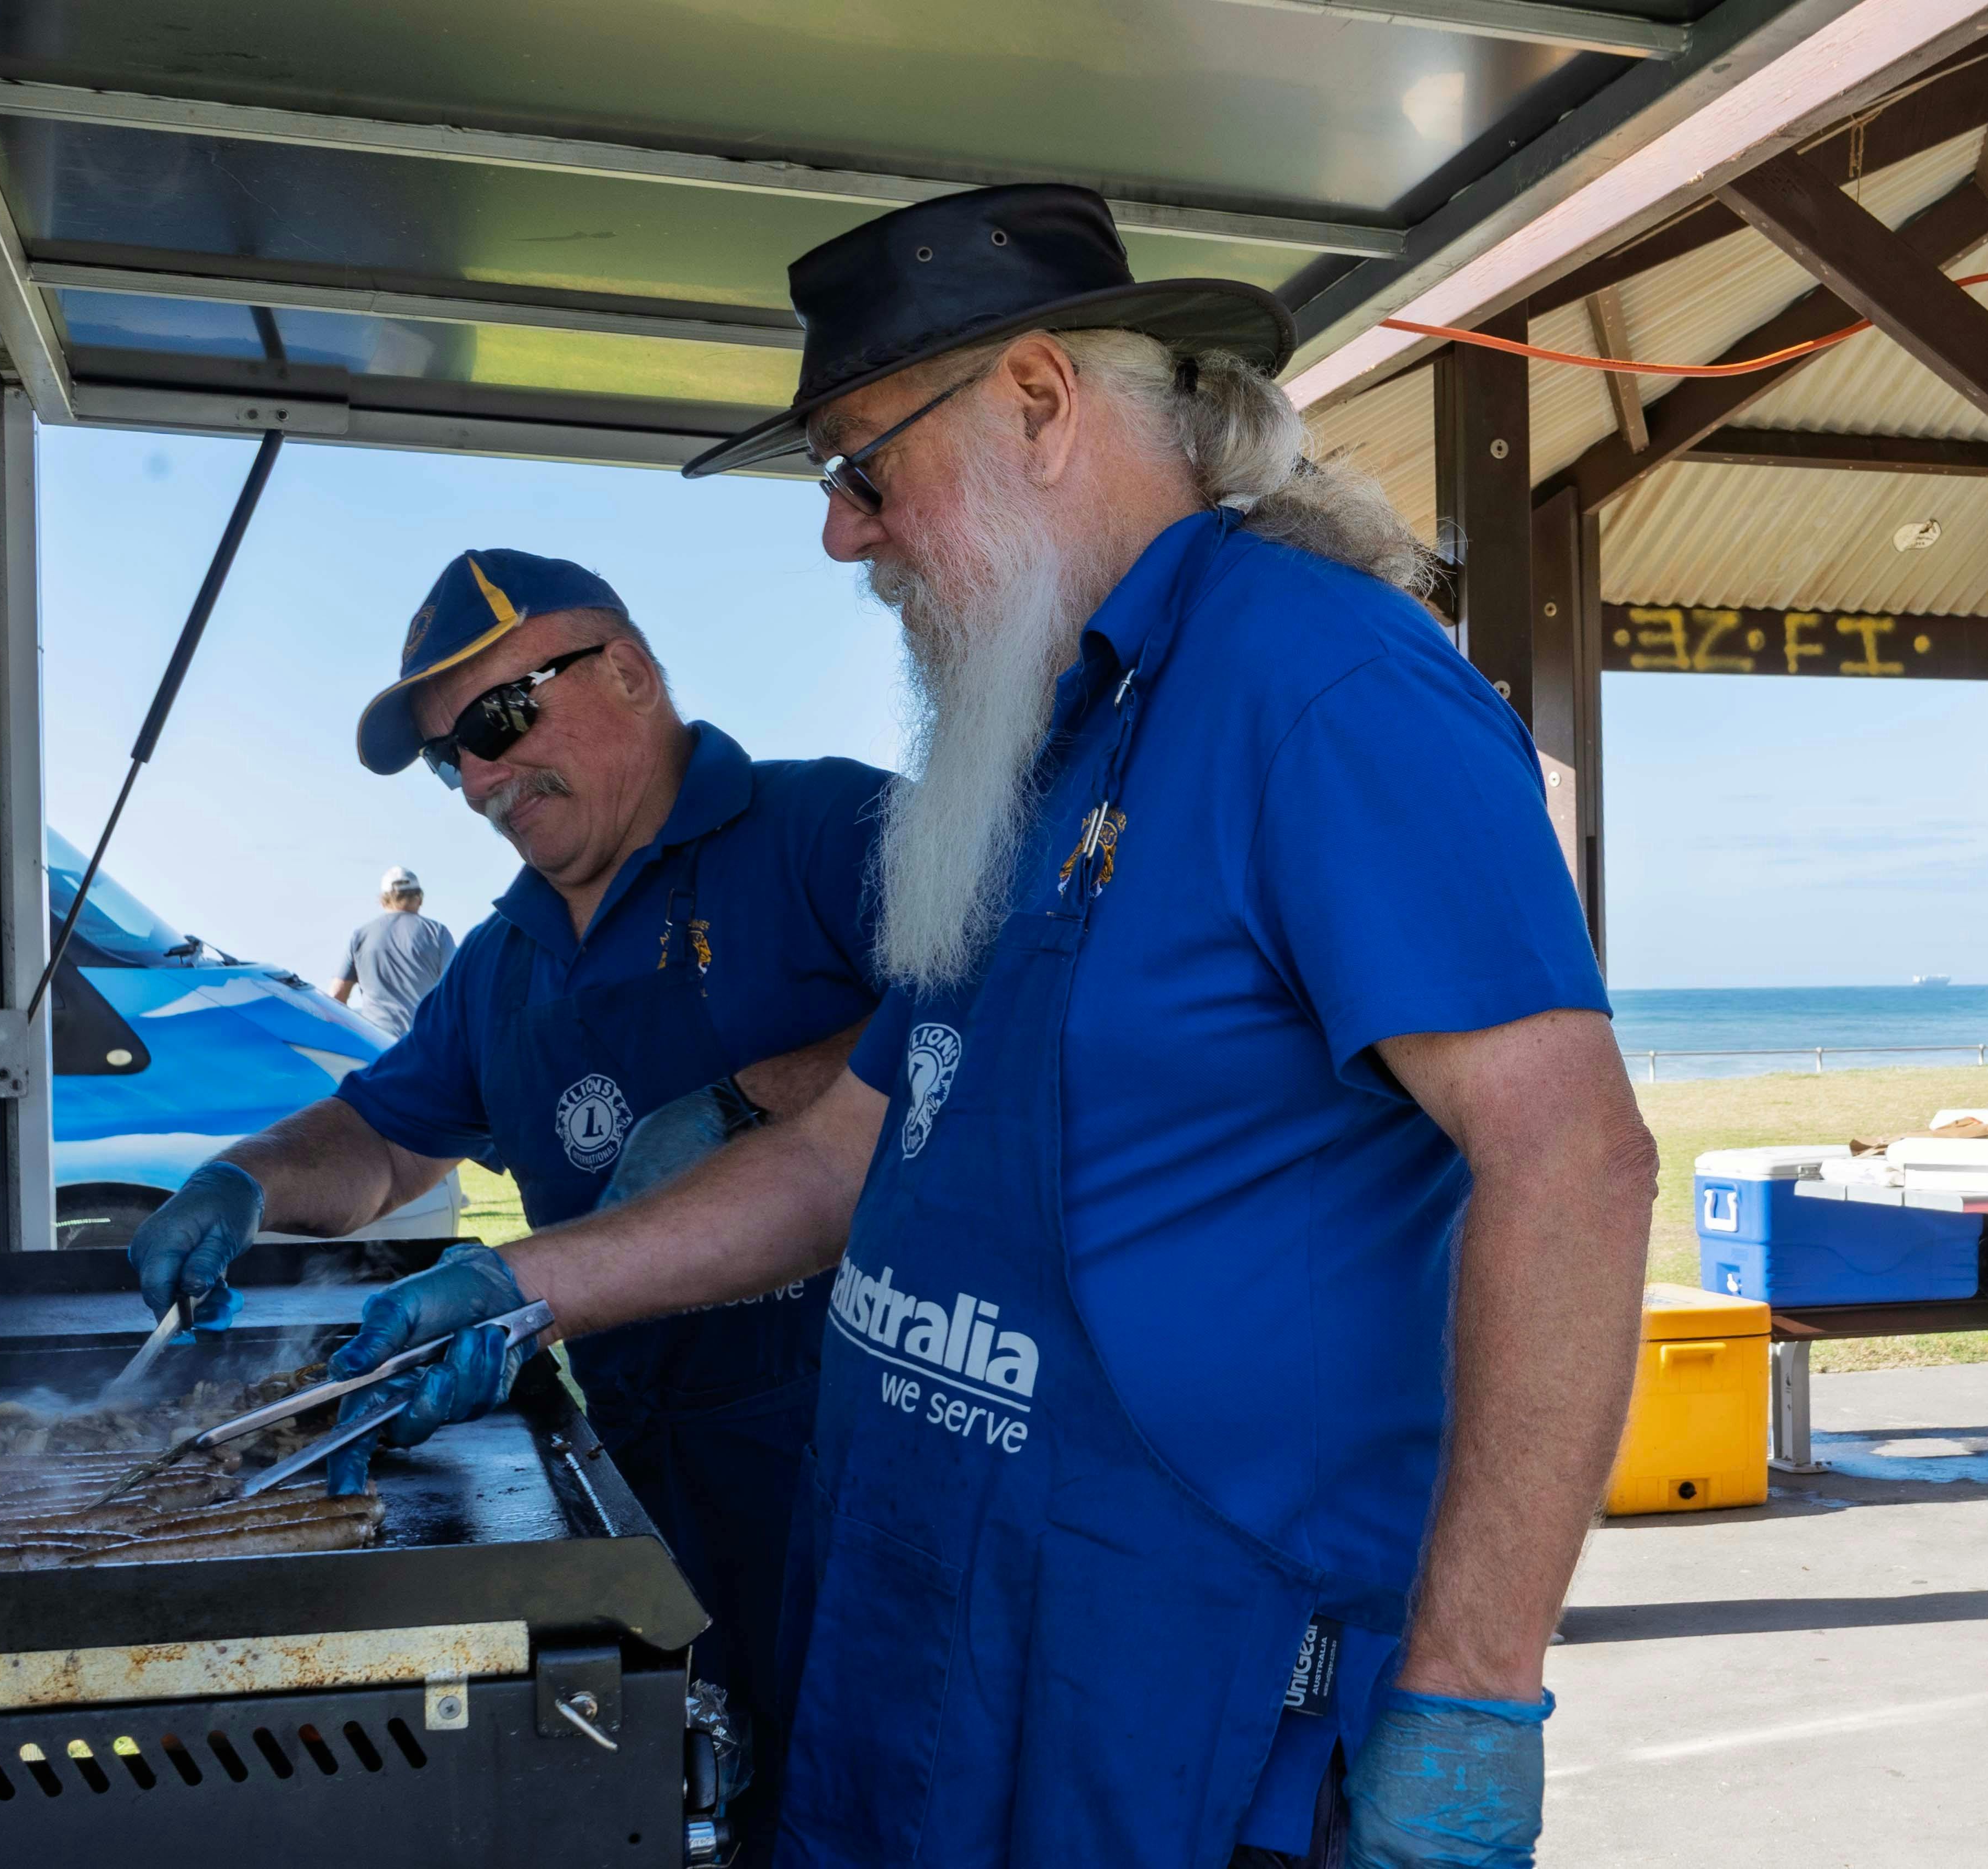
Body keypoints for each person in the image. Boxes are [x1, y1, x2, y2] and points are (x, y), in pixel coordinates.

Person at [319, 188, 1657, 1869]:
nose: (840, 536)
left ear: (1037, 399)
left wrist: (1473, 1686)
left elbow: (1572, 1155)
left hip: (1176, 1711)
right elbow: (852, 1151)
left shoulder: (1321, 681)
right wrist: (520, 1287)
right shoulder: (1029, 741)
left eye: (862, 467)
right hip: (926, 1659)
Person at [125, 548, 889, 1864]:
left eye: (496, 719)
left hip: (863, 1480)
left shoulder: (831, 834)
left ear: (629, 671)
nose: (477, 780)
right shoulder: (499, 959)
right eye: (448, 759)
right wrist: (246, 1177)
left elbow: (1017, 1012)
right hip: (631, 1486)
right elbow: (380, 1136)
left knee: (871, 1813)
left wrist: (764, 1096)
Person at [328, 864, 456, 1038]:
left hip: (377, 1044)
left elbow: (337, 996)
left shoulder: (361, 936)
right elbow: (459, 989)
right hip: (425, 1044)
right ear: (420, 898)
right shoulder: (438, 933)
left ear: (383, 900)